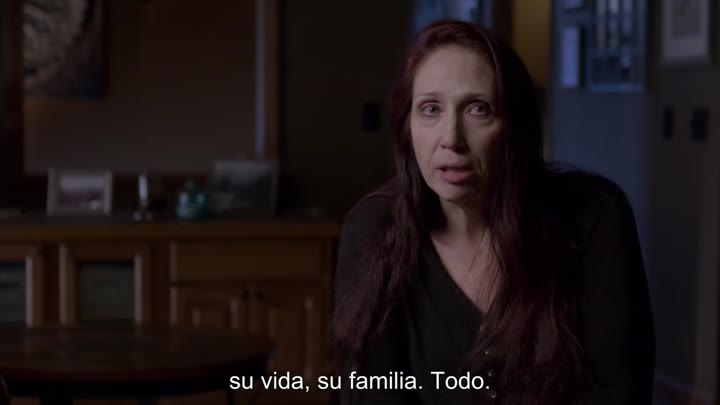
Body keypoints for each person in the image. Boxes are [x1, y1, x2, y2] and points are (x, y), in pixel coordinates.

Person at [329, 20, 655, 404]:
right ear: (407, 127)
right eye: (430, 109)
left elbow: (620, 389)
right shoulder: (373, 228)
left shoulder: (594, 218)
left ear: (514, 126)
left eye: (478, 109)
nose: (451, 138)